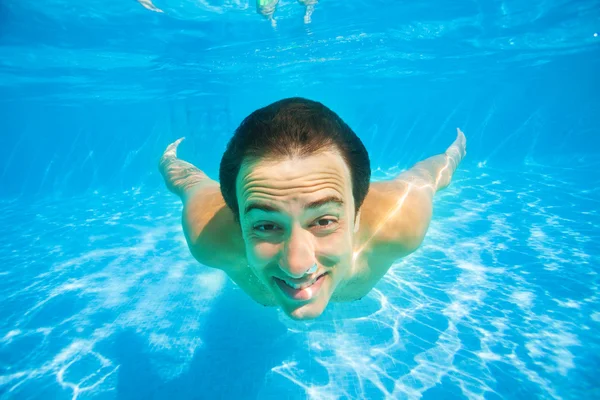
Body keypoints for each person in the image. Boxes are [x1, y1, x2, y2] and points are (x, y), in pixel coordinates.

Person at [159, 97, 466, 320]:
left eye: (324, 221)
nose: (297, 266)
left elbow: (426, 177)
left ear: (358, 215)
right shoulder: (209, 238)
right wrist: (168, 161)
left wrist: (453, 153)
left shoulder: (400, 224)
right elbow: (189, 183)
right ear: (239, 223)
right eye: (266, 225)